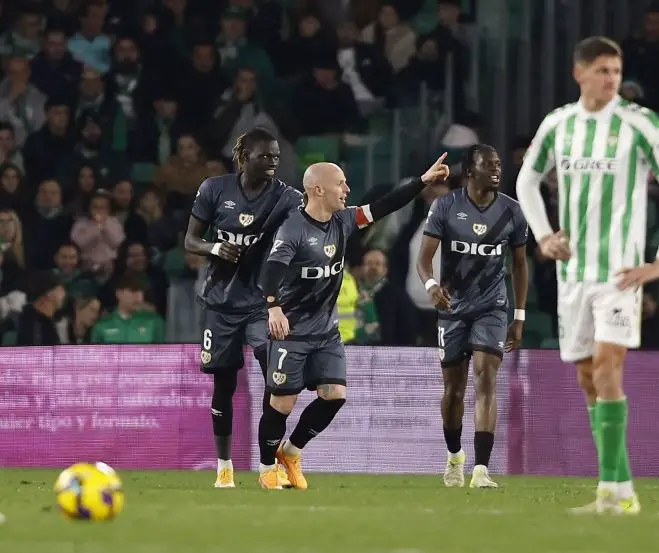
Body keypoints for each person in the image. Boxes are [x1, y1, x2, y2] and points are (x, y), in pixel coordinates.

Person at [515, 37, 659, 515]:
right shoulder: (558, 124)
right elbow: (526, 180)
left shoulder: (640, 122)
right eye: (602, 70)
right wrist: (544, 235)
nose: (612, 78)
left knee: (610, 366)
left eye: (616, 70)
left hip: (620, 273)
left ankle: (617, 491)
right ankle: (615, 487)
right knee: (588, 378)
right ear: (580, 74)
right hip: (574, 275)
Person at [256, 155, 450, 490]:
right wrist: (274, 308)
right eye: (340, 183)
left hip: (327, 332)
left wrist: (422, 181)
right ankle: (265, 469)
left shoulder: (344, 221)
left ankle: (291, 452)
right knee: (281, 405)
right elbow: (270, 271)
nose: (347, 189)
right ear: (318, 190)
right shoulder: (293, 228)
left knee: (335, 395)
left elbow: (384, 205)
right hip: (292, 331)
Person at [183, 127, 304, 489]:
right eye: (264, 156)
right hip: (220, 303)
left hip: (263, 305)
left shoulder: (288, 198)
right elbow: (190, 240)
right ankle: (225, 466)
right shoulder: (214, 189)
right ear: (244, 157)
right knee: (223, 385)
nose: (271, 163)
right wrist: (214, 249)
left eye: (276, 157)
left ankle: (269, 463)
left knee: (276, 380)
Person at [417, 144, 529, 488]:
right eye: (489, 166)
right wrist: (433, 286)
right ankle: (455, 457)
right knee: (453, 390)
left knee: (486, 378)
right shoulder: (446, 206)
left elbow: (521, 266)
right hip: (452, 309)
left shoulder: (512, 211)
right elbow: (423, 260)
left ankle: (481, 470)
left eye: (498, 165)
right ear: (469, 171)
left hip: (492, 307)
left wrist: (519, 314)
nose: (497, 171)